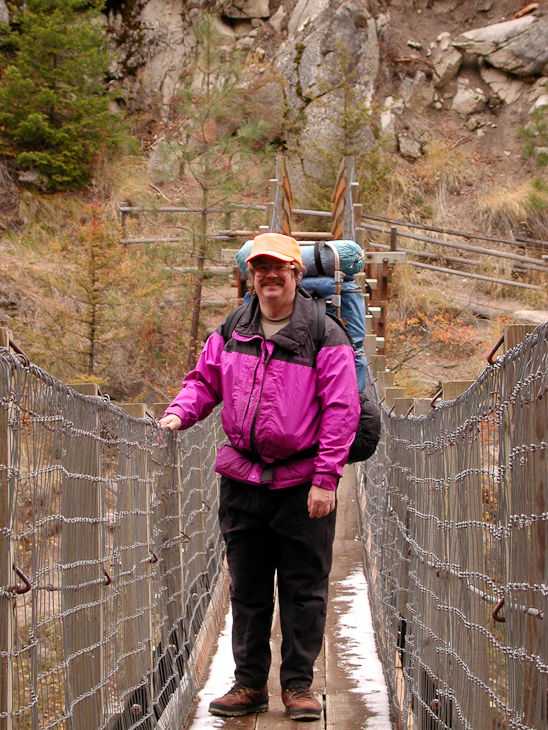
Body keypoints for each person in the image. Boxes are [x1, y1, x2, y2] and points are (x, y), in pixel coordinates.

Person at [159, 232, 360, 721]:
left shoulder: (323, 333)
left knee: (303, 588)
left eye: (280, 268)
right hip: (242, 480)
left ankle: (298, 687)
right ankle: (250, 685)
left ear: (295, 273)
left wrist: (326, 479)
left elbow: (341, 410)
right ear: (250, 276)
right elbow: (204, 381)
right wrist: (178, 415)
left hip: (301, 483)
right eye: (260, 268)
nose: (269, 276)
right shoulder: (233, 327)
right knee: (247, 588)